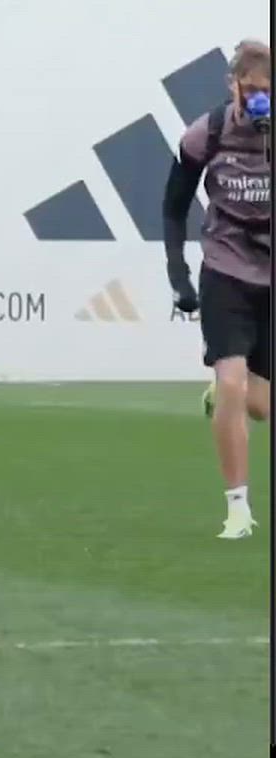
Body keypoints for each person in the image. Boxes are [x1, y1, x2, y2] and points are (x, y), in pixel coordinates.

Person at [163, 38, 271, 541]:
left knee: (260, 405)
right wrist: (178, 274)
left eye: (268, 93)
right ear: (234, 86)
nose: (259, 102)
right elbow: (173, 206)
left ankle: (227, 391)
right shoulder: (206, 134)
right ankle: (237, 510)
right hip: (226, 272)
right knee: (233, 383)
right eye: (252, 91)